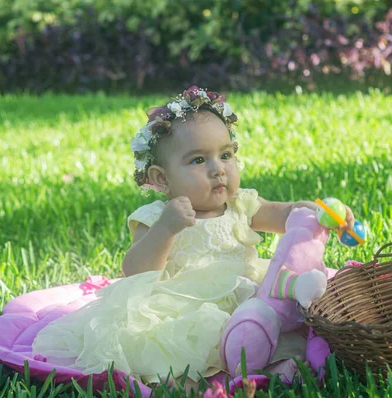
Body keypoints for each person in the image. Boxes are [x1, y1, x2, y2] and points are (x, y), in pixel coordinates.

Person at [32, 86, 355, 387]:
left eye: (226, 155)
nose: (219, 169)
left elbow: (286, 215)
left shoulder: (240, 203)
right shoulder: (159, 217)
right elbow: (134, 270)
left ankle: (272, 367)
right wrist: (166, 229)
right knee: (185, 349)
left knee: (276, 319)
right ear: (162, 178)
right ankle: (215, 377)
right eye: (199, 160)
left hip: (247, 299)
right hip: (188, 309)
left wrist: (321, 212)